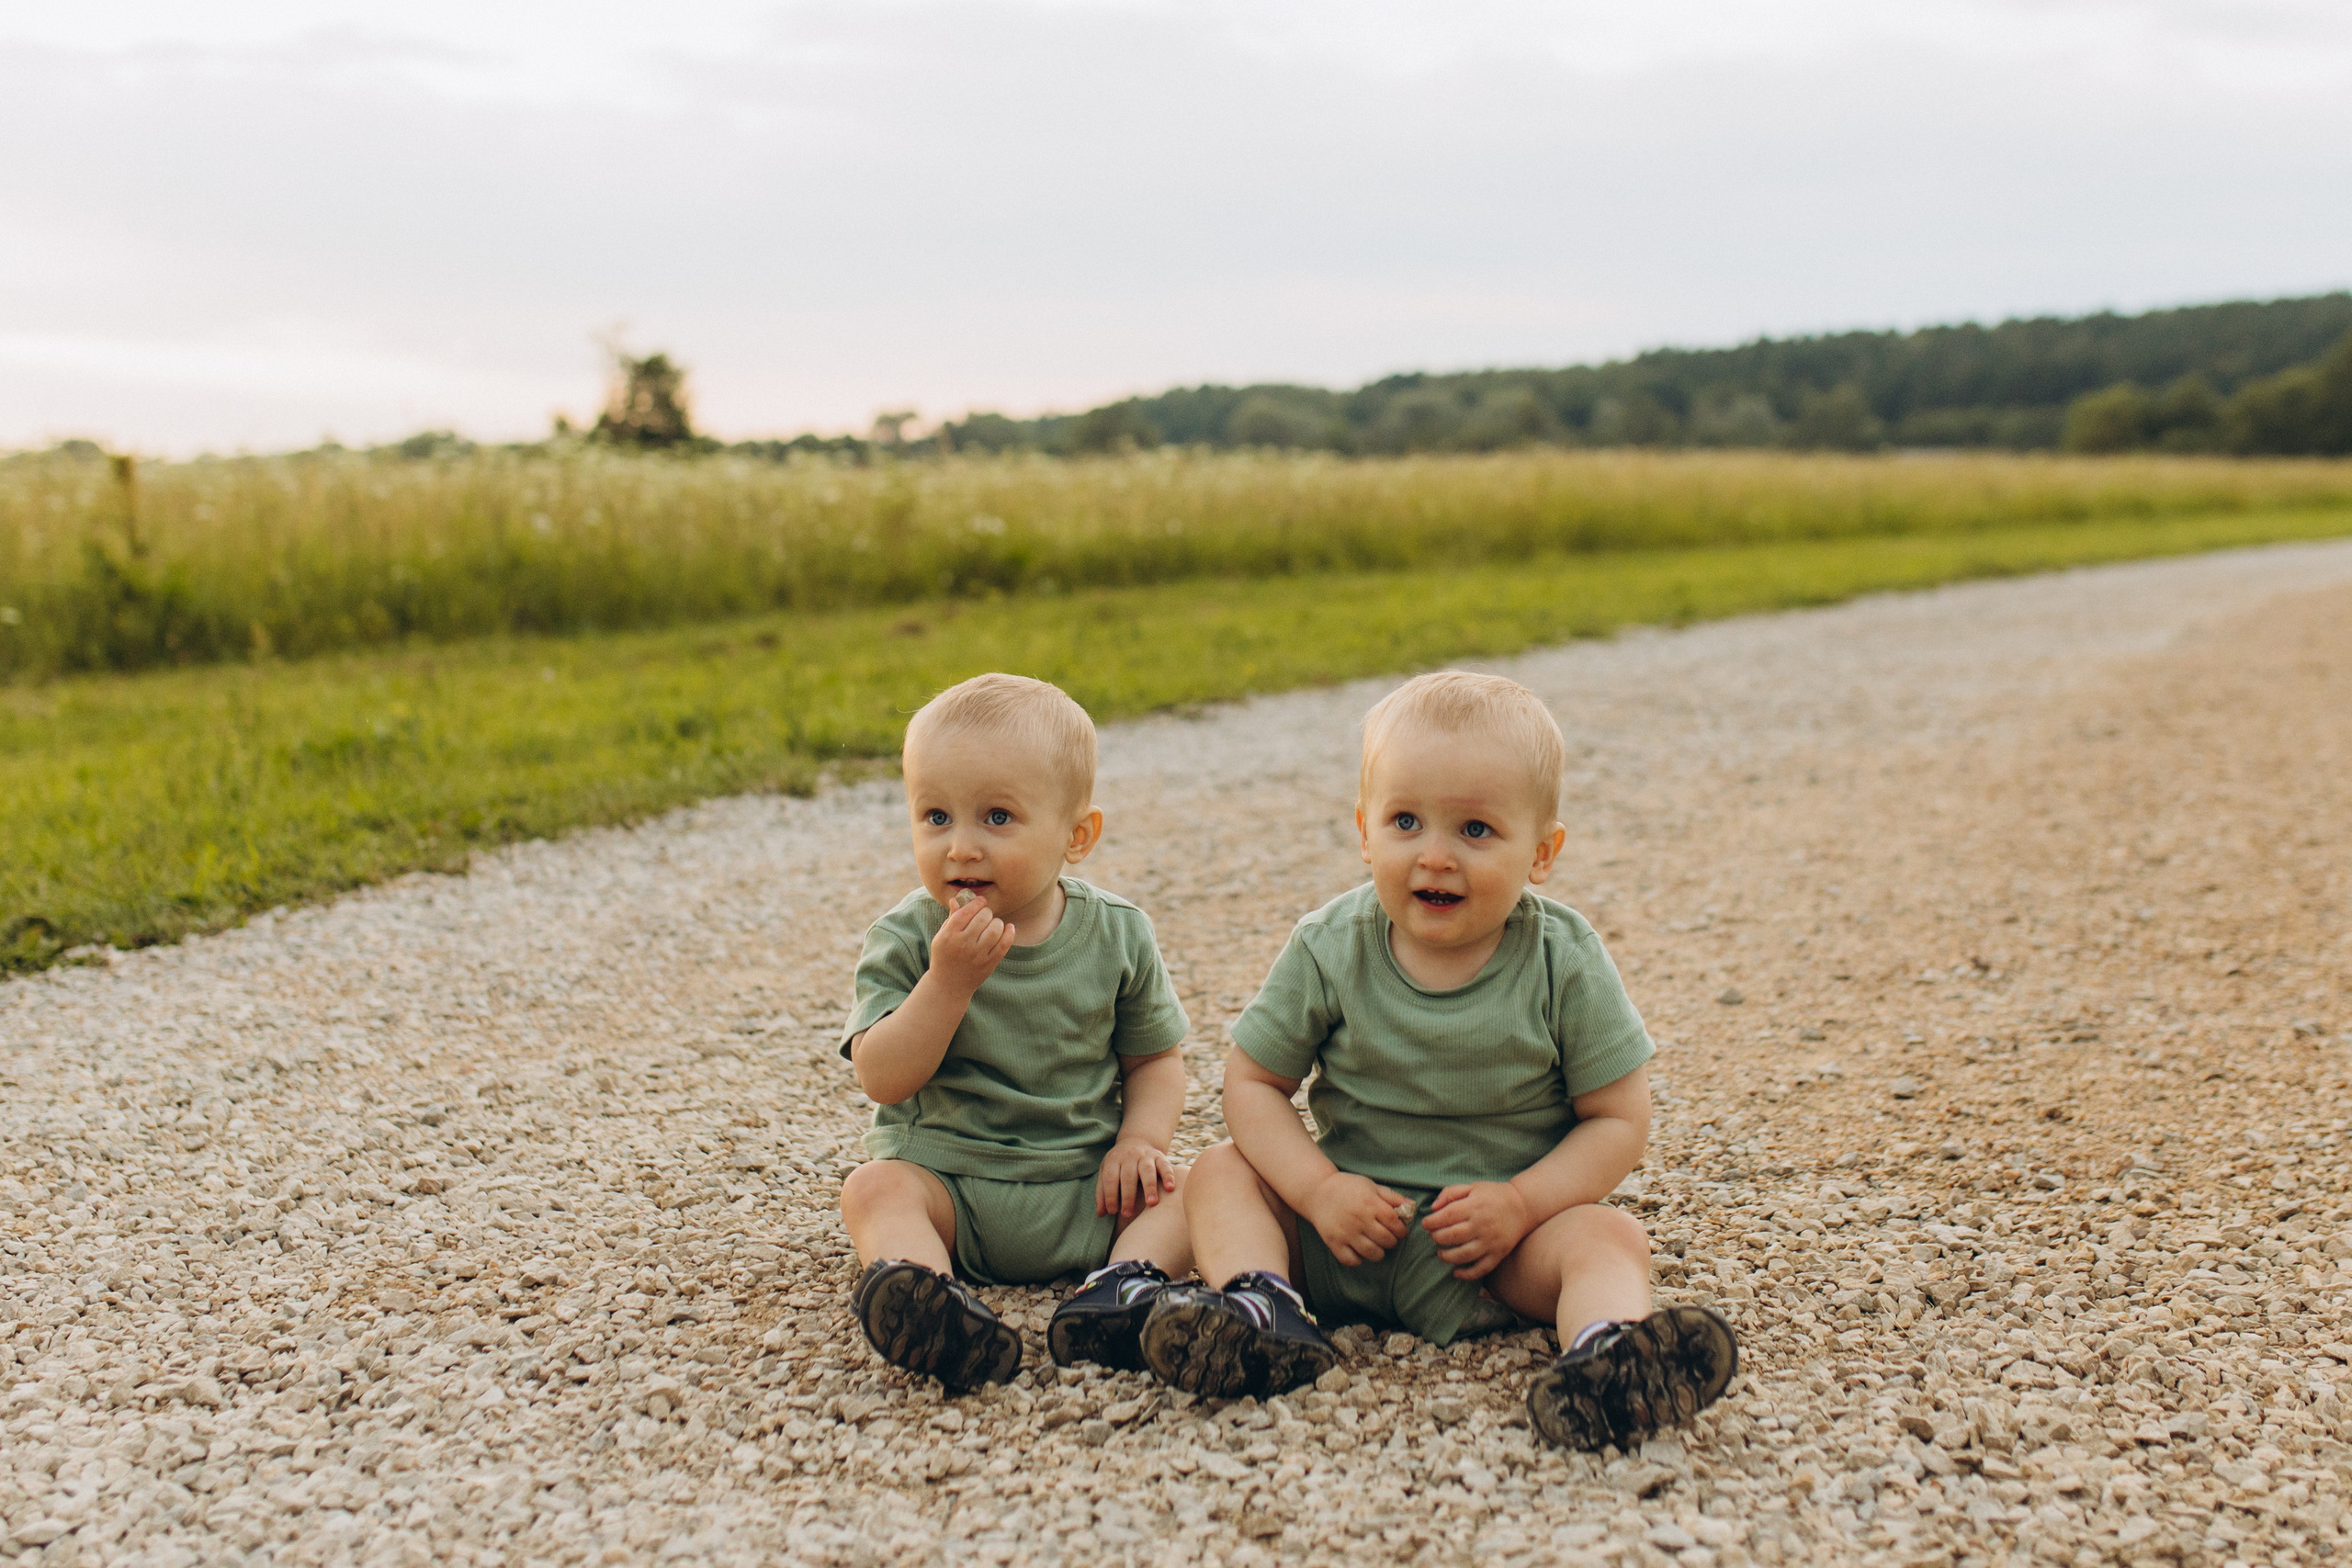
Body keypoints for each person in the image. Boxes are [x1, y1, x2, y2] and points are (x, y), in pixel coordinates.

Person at [1138, 671, 1737, 1450]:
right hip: (1344, 1234)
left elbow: (1619, 1117)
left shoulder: (1562, 958)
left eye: (1476, 831)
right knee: (1219, 1169)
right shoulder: (1331, 943)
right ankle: (1263, 1309)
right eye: (1406, 821)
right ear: (1364, 831)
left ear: (1543, 852)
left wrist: (1522, 1202)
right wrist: (1317, 1190)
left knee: (1609, 1235)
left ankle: (1608, 1354)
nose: (1436, 856)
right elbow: (1252, 1081)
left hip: (1496, 1251)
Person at [837, 672, 1195, 1389]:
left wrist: (1139, 1142)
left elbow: (1155, 1059)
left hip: (1086, 1188)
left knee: (1204, 1185)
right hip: (951, 1187)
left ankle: (1121, 1288)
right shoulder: (909, 938)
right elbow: (881, 1074)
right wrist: (948, 983)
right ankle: (928, 1297)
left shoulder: (1117, 933)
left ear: (1076, 835)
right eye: (936, 817)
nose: (960, 848)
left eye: (996, 818)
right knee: (873, 1188)